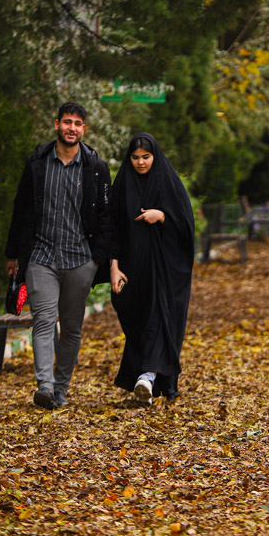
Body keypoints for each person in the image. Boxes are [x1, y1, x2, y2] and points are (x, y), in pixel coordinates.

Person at [5, 102, 112, 410]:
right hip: (41, 257)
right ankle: (45, 386)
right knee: (43, 320)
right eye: (67, 122)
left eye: (78, 123)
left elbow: (106, 216)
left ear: (84, 130)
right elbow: (21, 207)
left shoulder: (95, 167)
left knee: (72, 328)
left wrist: (97, 259)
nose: (72, 128)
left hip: (80, 259)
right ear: (57, 125)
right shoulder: (38, 162)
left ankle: (61, 386)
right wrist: (13, 253)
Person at [109, 133, 195, 407]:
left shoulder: (167, 181)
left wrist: (162, 216)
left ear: (155, 156)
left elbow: (185, 222)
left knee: (160, 316)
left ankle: (147, 376)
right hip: (133, 269)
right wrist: (113, 265)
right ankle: (146, 378)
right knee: (138, 319)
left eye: (146, 157)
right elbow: (112, 228)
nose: (140, 163)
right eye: (135, 157)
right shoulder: (123, 183)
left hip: (165, 269)